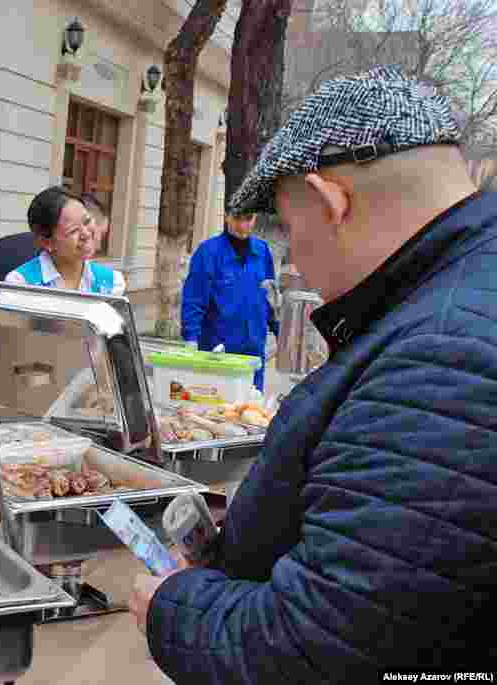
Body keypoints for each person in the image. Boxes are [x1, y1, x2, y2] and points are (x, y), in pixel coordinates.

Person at [128, 66, 497, 682]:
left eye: (294, 231)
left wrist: (170, 605)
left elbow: (316, 647)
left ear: (333, 203)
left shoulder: (443, 355)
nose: (294, 260)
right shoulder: (453, 297)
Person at [180, 211, 279, 390]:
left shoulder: (262, 251)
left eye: (248, 219)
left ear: (255, 217)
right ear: (227, 217)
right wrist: (191, 338)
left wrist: (280, 331)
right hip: (218, 347)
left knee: (251, 406)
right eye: (237, 219)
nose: (243, 226)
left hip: (253, 345)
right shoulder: (208, 252)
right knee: (216, 407)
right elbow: (194, 297)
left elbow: (270, 297)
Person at [5, 186, 126, 295]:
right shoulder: (20, 285)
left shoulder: (113, 283)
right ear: (47, 242)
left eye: (87, 221)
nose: (86, 233)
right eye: (73, 231)